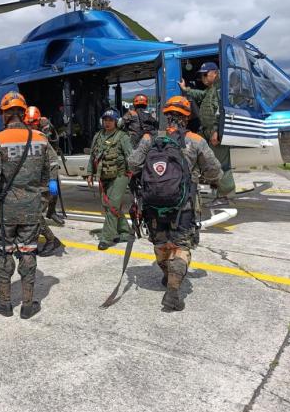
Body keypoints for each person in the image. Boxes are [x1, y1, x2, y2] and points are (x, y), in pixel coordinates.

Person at [128, 96, 222, 311]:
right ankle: (173, 291)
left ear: (166, 115)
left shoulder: (149, 138)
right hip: (185, 205)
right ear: (187, 118)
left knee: (160, 244)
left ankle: (167, 275)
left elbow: (133, 163)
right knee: (181, 247)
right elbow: (214, 170)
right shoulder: (196, 140)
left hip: (152, 205)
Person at [0, 92, 56, 319]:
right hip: (32, 208)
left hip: (5, 210)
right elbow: (50, 167)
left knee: (3, 253)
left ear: (4, 114)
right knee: (28, 251)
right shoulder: (40, 138)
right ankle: (27, 304)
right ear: (23, 113)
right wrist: (48, 187)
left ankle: (5, 303)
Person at [179, 62, 235, 205]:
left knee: (221, 165)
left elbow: (220, 112)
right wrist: (186, 89)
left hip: (216, 134)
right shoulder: (211, 89)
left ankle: (224, 196)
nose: (202, 78)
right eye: (201, 75)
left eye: (205, 74)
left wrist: (216, 131)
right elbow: (201, 94)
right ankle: (218, 193)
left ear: (215, 73)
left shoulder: (220, 90)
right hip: (209, 133)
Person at [87, 108, 134, 250]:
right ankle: (125, 232)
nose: (107, 123)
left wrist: (136, 175)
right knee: (108, 206)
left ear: (117, 122)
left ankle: (107, 238)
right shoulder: (98, 136)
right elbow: (92, 156)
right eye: (105, 120)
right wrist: (90, 173)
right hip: (104, 176)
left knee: (112, 205)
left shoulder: (122, 137)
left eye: (110, 120)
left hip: (120, 176)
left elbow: (131, 157)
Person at [24, 106, 64, 257]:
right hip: (32, 182)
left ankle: (51, 240)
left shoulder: (41, 136)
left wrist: (53, 182)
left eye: (33, 123)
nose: (31, 125)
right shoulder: (28, 135)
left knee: (33, 214)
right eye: (28, 123)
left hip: (44, 183)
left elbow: (53, 161)